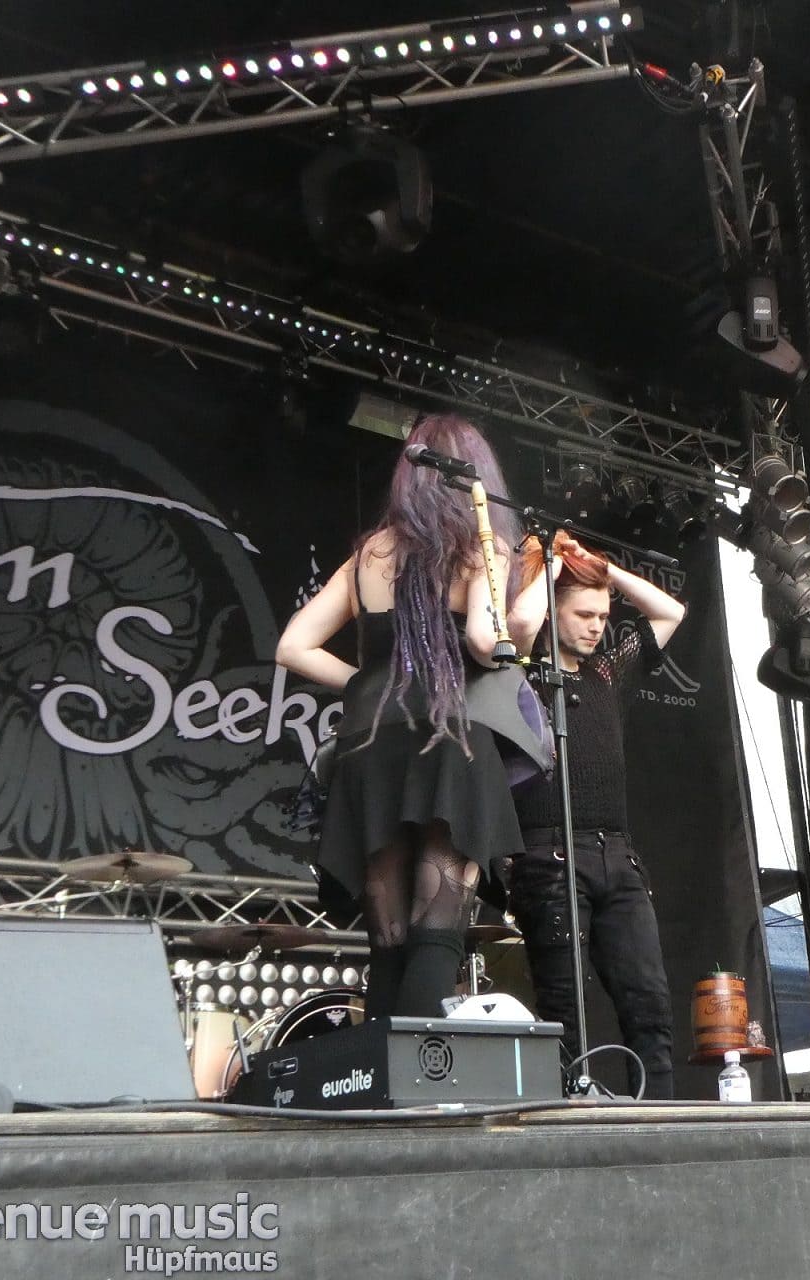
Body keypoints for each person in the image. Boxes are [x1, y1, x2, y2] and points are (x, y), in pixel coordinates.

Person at [275, 414, 548, 1021]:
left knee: (389, 939)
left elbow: (292, 646)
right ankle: (421, 1071)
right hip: (449, 738)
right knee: (437, 928)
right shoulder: (480, 545)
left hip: (369, 744)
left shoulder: (368, 554)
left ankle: (378, 1073)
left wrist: (370, 685)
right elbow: (485, 643)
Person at [503, 531, 687, 1099]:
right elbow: (519, 624)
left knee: (649, 1003)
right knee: (566, 1007)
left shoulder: (607, 672)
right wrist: (554, 565)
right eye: (583, 614)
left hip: (618, 857)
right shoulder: (521, 673)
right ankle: (575, 1118)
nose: (595, 627)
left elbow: (670, 612)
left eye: (603, 617)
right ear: (554, 608)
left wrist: (605, 571)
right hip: (549, 855)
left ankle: (659, 1124)